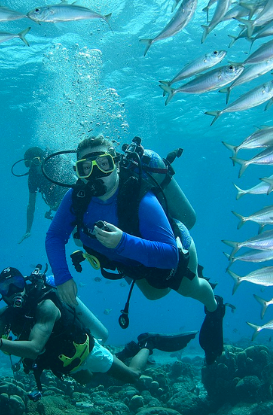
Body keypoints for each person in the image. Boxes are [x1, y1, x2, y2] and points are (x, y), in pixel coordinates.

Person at [44, 135, 226, 365]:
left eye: (103, 164)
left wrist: (122, 242)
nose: (95, 174)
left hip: (177, 251)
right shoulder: (76, 198)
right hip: (134, 262)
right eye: (85, 168)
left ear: (116, 164)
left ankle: (215, 307)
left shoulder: (141, 197)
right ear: (77, 171)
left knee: (190, 289)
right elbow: (54, 236)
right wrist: (62, 276)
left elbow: (170, 255)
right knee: (153, 294)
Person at [0, 266, 195, 388]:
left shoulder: (45, 305)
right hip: (65, 363)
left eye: (16, 284)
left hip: (86, 350)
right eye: (5, 289)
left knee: (132, 377)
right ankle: (125, 351)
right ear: (1, 294)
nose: (13, 292)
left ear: (25, 283)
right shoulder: (7, 314)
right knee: (97, 382)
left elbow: (34, 348)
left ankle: (146, 343)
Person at [15, 147, 71, 244]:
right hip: (57, 205)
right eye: (29, 164)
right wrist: (28, 230)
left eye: (36, 161)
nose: (34, 167)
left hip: (72, 198)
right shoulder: (32, 178)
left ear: (43, 158)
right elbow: (31, 205)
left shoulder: (54, 165)